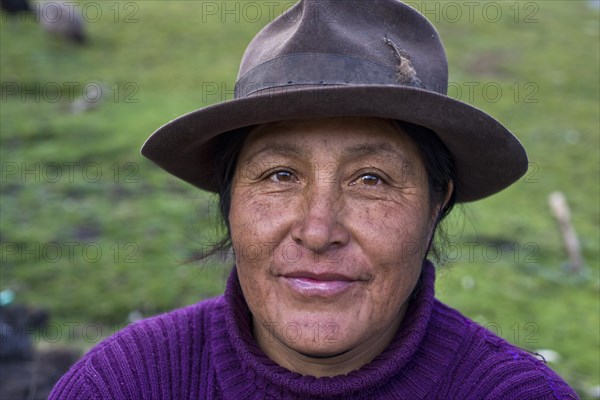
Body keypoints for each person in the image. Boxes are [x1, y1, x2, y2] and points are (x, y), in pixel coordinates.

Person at [50, 0, 578, 398]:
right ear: (230, 197)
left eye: (371, 179)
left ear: (438, 202)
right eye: (280, 174)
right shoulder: (125, 384)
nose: (319, 230)